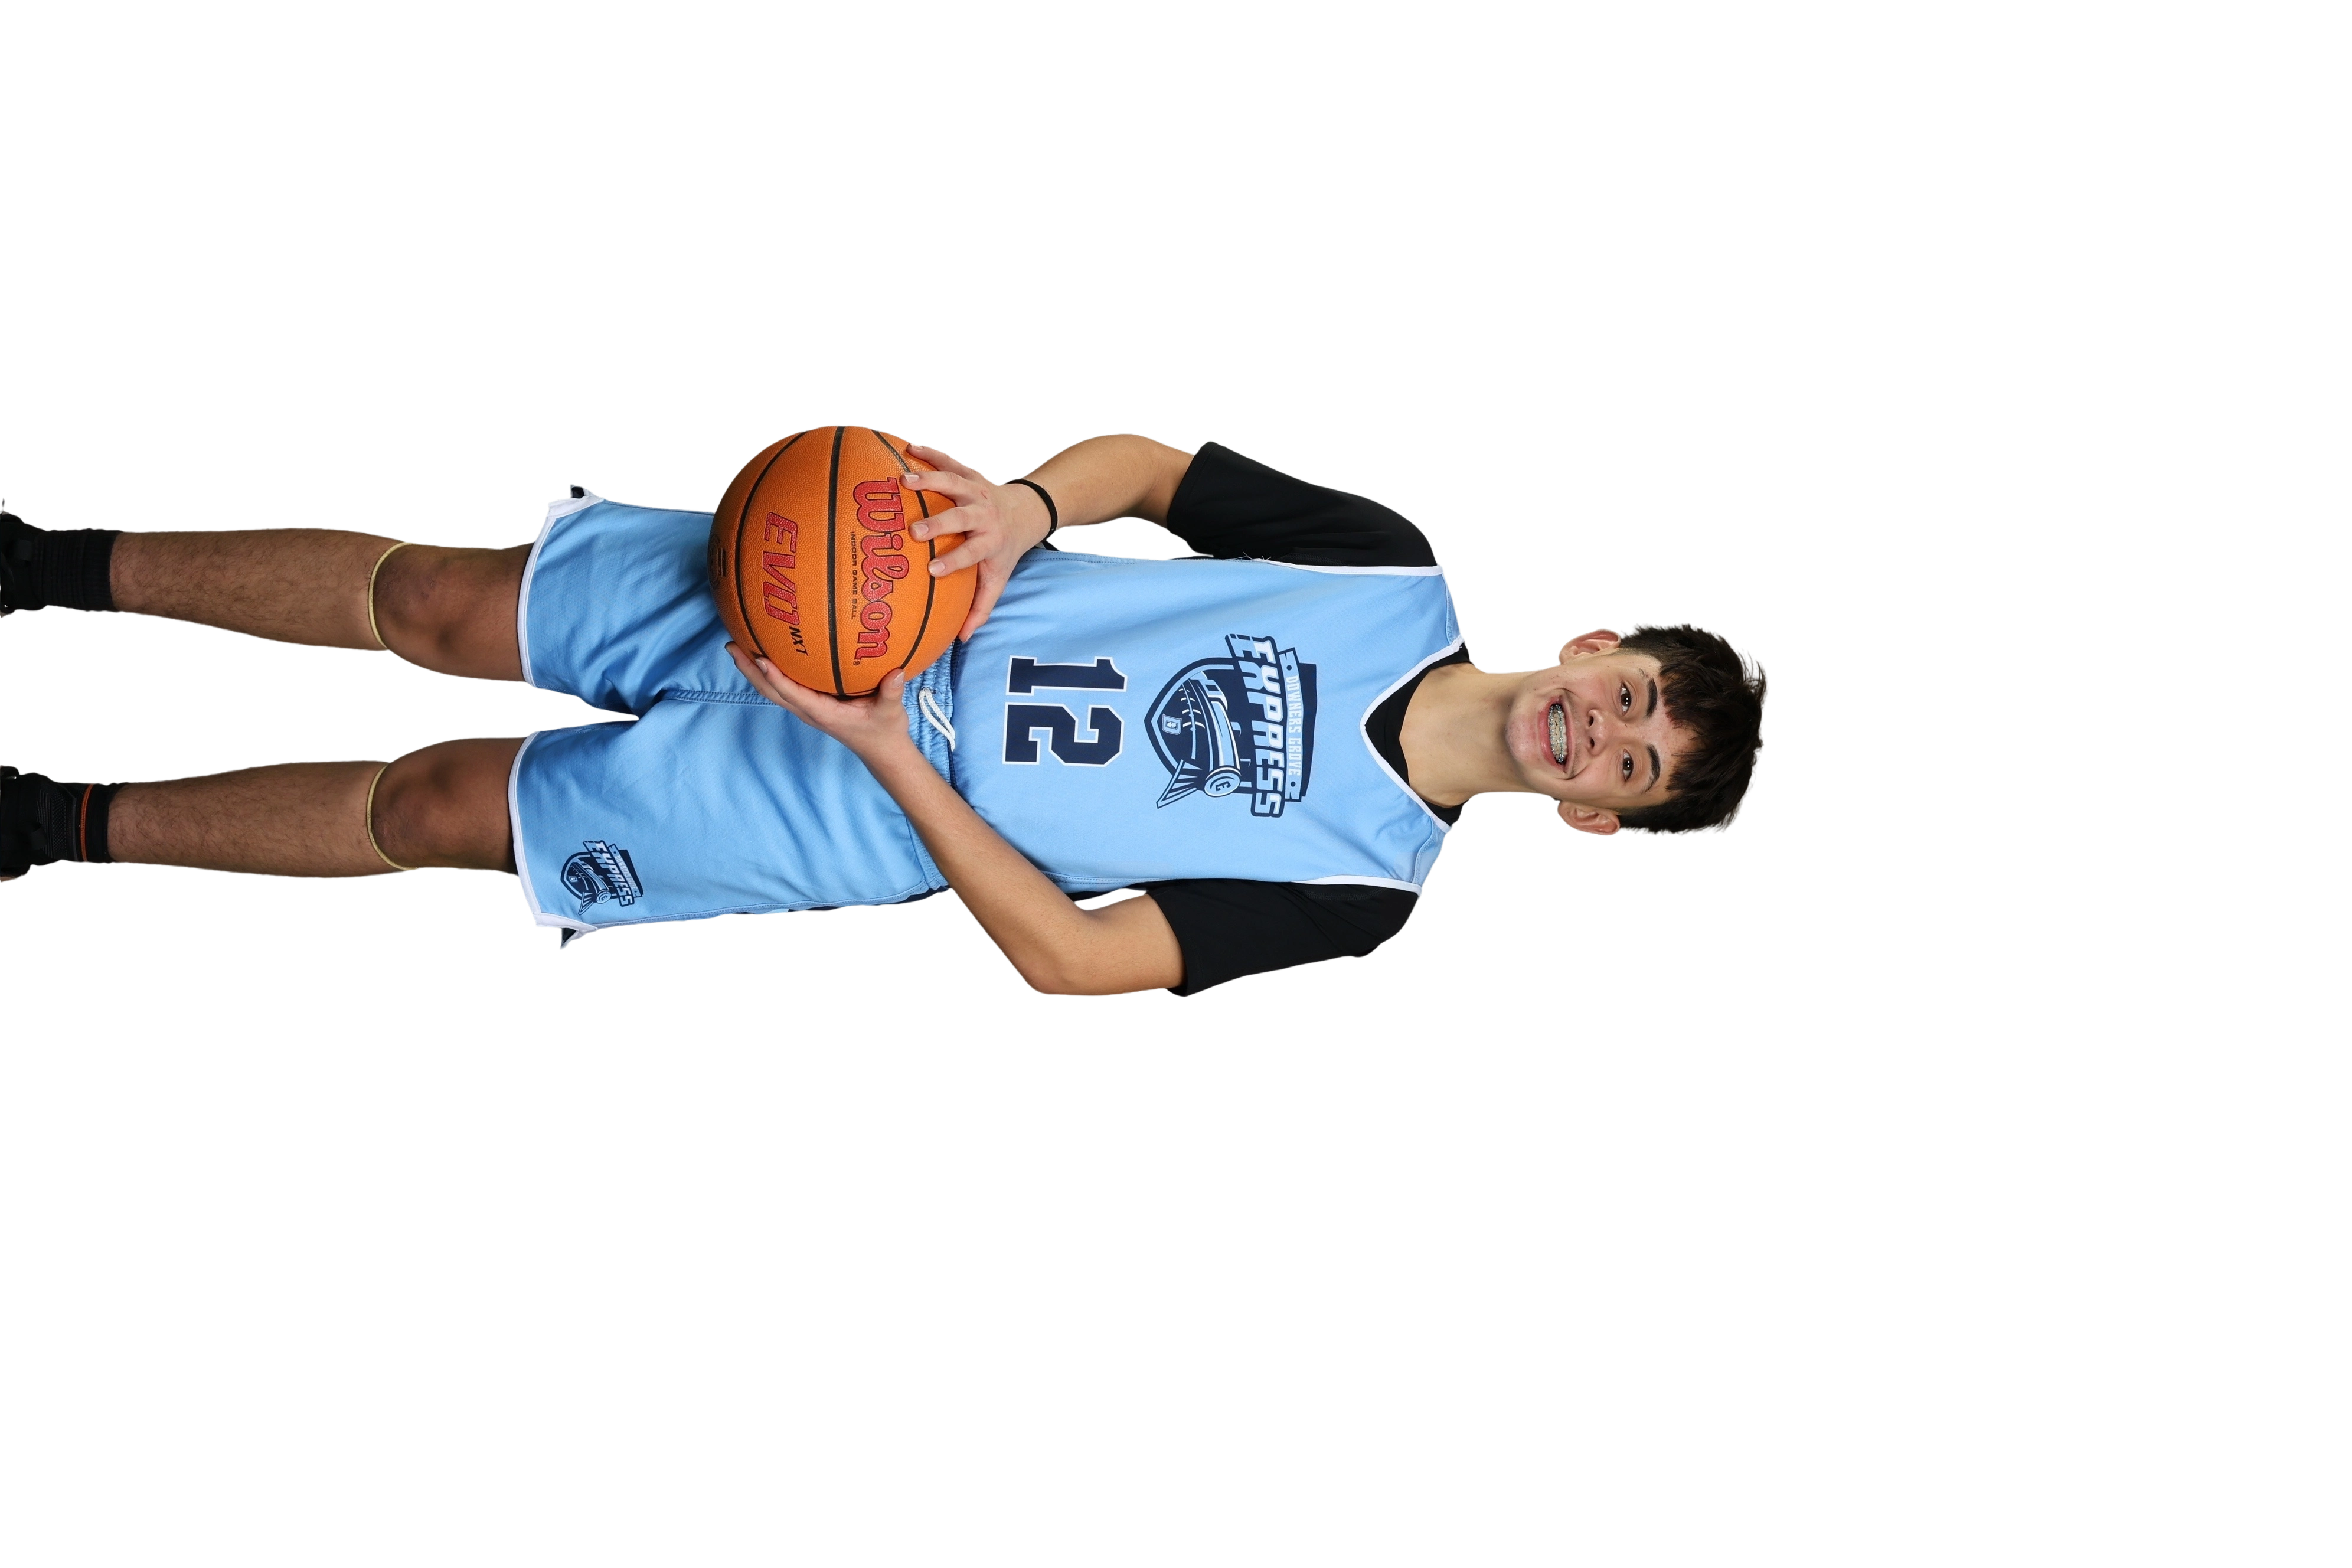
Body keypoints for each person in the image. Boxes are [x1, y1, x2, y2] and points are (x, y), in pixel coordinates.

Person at [1, 432, 1769, 995]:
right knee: (442, 606)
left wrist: (889, 758)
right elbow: (1157, 466)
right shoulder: (1384, 565)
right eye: (1629, 694)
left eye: (1631, 766)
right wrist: (1026, 511)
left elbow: (1082, 962)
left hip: (841, 799)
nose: (1599, 732)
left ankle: (58, 822)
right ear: (1596, 640)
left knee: (434, 813)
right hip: (852, 596)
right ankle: (50, 565)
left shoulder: (1363, 889)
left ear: (1593, 816)